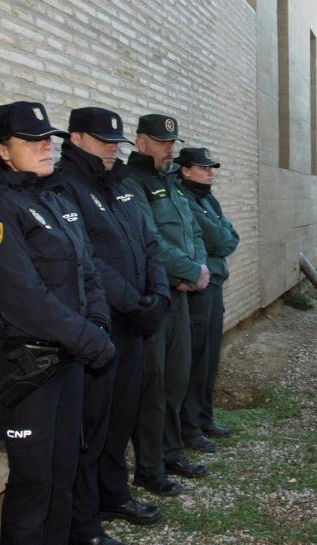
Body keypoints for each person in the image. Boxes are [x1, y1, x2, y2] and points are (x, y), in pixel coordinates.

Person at [0, 101, 114, 545]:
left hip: (71, 361)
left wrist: (98, 325)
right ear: (1, 150)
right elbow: (25, 299)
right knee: (33, 482)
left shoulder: (54, 200)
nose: (46, 147)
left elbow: (87, 273)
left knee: (63, 475)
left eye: (48, 139)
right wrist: (91, 338)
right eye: (32, 140)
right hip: (32, 369)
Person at [51, 107, 171, 545]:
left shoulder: (119, 183)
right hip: (101, 325)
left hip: (136, 321)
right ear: (76, 138)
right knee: (91, 427)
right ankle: (83, 525)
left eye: (116, 142)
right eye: (102, 140)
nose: (111, 148)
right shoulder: (64, 185)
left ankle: (113, 493)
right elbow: (85, 261)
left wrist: (157, 294)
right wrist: (133, 303)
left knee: (120, 417)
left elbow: (148, 242)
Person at [124, 114, 211, 495]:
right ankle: (150, 465)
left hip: (181, 293)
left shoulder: (170, 183)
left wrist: (199, 268)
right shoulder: (132, 183)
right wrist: (189, 269)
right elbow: (149, 239)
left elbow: (191, 230)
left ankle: (172, 451)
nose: (169, 149)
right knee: (154, 384)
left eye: (172, 143)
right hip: (156, 295)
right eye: (161, 142)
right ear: (140, 142)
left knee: (176, 378)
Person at [175, 147, 240, 451]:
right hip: (199, 288)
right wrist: (221, 239)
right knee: (196, 359)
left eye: (210, 168)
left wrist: (222, 239)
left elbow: (230, 237)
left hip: (214, 283)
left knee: (211, 356)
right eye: (203, 168)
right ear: (185, 170)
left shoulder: (207, 198)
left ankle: (204, 417)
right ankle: (189, 427)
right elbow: (215, 239)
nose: (209, 173)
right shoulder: (183, 199)